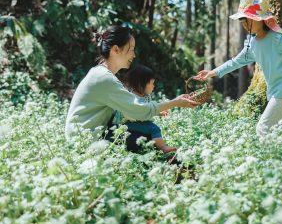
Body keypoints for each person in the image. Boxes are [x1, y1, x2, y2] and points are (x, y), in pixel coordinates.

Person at [195, 0, 282, 135]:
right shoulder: (252, 44)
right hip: (274, 91)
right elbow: (235, 61)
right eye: (242, 21)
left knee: (262, 128)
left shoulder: (277, 38)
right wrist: (213, 72)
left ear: (261, 19)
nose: (245, 24)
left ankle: (268, 157)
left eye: (248, 20)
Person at [65, 25, 198, 151]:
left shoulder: (101, 74)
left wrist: (157, 110)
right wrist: (176, 102)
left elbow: (127, 111)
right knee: (146, 140)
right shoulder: (104, 78)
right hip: (83, 142)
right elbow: (139, 109)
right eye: (131, 49)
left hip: (86, 137)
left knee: (141, 135)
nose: (134, 55)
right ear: (116, 50)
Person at [118, 64, 177, 153]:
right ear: (141, 84)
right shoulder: (132, 97)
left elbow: (148, 109)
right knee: (154, 128)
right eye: (152, 83)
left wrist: (158, 112)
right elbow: (136, 111)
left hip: (140, 121)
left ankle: (156, 145)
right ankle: (163, 148)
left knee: (151, 128)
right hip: (130, 123)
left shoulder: (145, 95)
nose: (154, 86)